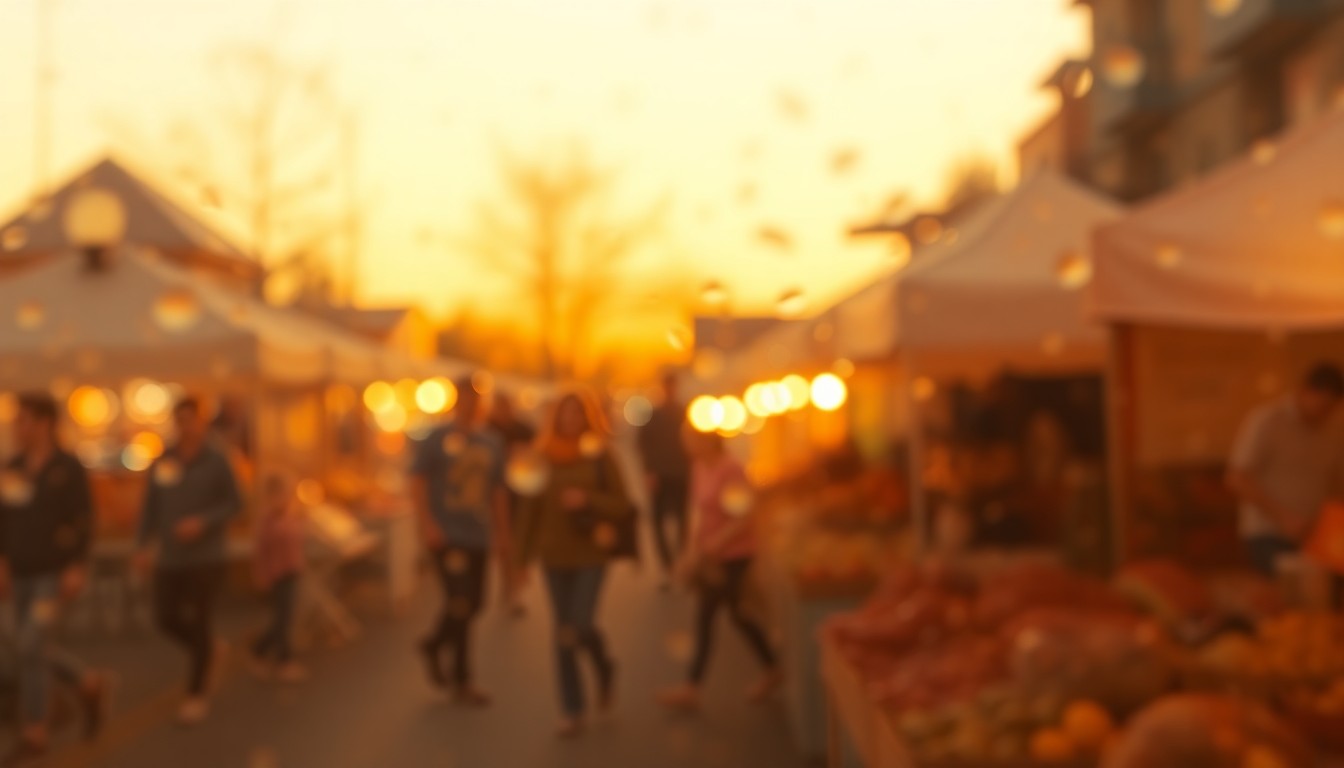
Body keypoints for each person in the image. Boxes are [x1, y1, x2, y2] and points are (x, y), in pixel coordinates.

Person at [0, 395, 111, 763]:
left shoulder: (67, 467)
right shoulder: (13, 466)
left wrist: (76, 565)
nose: (18, 428)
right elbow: (4, 519)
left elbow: (83, 520)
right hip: (20, 573)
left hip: (51, 573)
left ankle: (36, 728)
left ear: (46, 423)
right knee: (27, 643)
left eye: (24, 421)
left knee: (31, 642)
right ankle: (87, 682)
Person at [516, 390, 633, 738]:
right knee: (563, 630)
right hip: (554, 554)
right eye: (564, 414)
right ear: (555, 418)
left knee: (581, 623)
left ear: (586, 417)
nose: (570, 421)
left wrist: (588, 499)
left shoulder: (599, 454)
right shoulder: (540, 456)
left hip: (591, 553)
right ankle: (572, 707)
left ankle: (603, 665)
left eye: (576, 414)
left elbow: (623, 504)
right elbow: (528, 511)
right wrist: (519, 561)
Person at [134, 397, 243, 726]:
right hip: (171, 556)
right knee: (165, 617)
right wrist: (143, 545)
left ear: (201, 422)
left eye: (190, 419)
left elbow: (236, 503)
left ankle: (196, 693)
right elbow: (150, 506)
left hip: (206, 556)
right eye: (179, 420)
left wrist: (204, 522)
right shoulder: (164, 460)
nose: (185, 426)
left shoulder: (217, 459)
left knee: (199, 618)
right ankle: (209, 648)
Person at [658, 427, 780, 712]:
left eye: (691, 441)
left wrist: (716, 543)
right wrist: (691, 550)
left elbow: (745, 514)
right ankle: (771, 667)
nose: (686, 447)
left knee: (710, 614)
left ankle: (692, 686)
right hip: (711, 555)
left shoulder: (731, 470)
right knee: (737, 615)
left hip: (735, 554)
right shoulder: (700, 468)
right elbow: (697, 512)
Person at [410, 376, 508, 706]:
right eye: (466, 397)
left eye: (476, 398)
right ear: (456, 400)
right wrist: (426, 524)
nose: (471, 404)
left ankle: (436, 644)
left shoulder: (491, 442)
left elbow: (497, 491)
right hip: (447, 534)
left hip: (477, 534)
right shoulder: (437, 438)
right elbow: (418, 481)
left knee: (474, 603)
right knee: (460, 600)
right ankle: (462, 679)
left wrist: (501, 533)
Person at [1229, 362, 1344, 576]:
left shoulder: (1334, 431)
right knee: (1286, 597)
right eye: (1322, 406)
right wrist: (1284, 518)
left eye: (1331, 408)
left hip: (1316, 537)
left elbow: (1336, 484)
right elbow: (1237, 478)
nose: (1324, 414)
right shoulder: (1267, 421)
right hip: (1268, 534)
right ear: (1305, 391)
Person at [249, 473, 307, 684]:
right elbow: (261, 552)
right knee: (282, 619)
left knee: (285, 618)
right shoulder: (266, 521)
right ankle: (283, 660)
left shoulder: (293, 516)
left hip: (292, 572)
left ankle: (261, 651)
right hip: (276, 575)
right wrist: (261, 576)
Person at [638, 370, 692, 589]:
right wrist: (649, 471)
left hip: (681, 473)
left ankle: (682, 564)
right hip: (660, 474)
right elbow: (643, 445)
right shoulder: (654, 414)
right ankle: (667, 567)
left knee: (682, 520)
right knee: (658, 521)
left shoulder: (684, 412)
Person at [488, 392, 537, 616]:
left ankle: (514, 587)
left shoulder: (524, 430)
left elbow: (538, 456)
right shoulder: (486, 430)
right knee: (503, 543)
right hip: (494, 495)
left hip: (520, 494)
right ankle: (508, 585)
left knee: (519, 542)